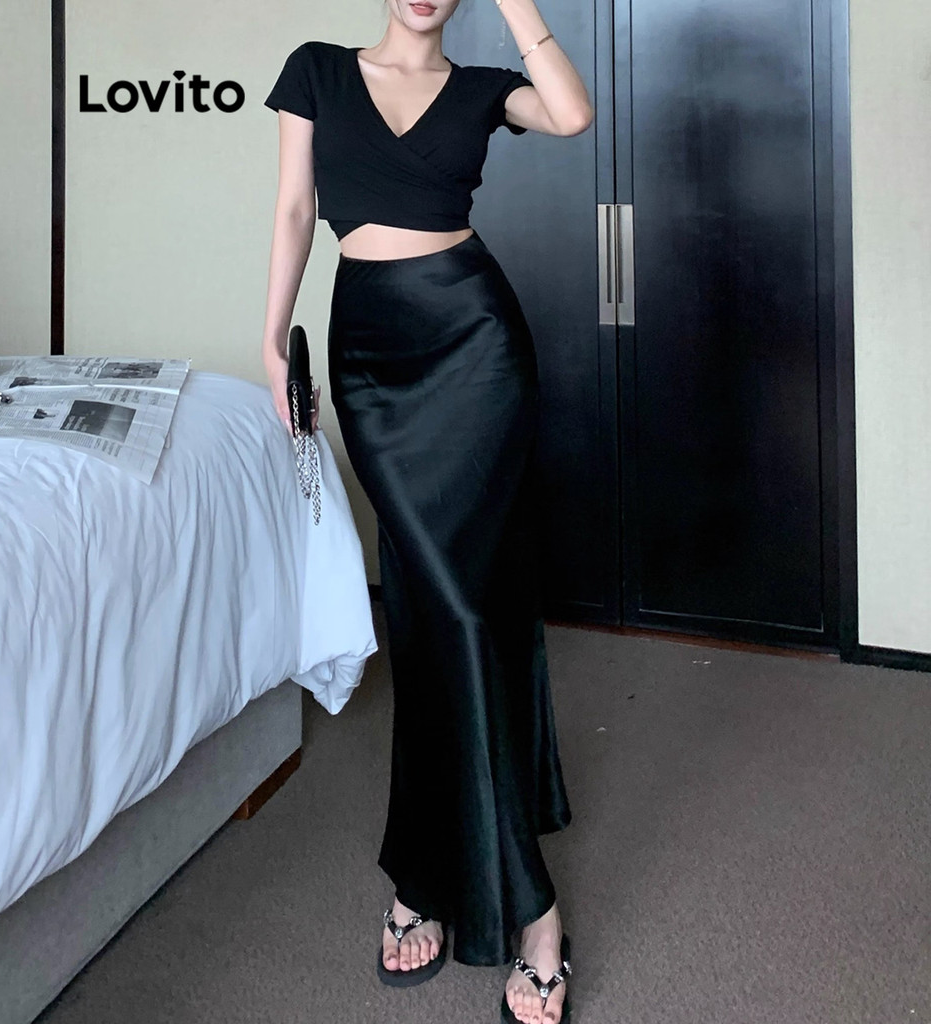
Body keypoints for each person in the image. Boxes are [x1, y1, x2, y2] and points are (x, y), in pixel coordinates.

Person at [261, 3, 593, 1022]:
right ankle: (428, 861)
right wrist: (272, 339)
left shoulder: (486, 88)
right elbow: (293, 209)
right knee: (428, 608)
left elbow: (572, 115)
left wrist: (518, 6)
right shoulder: (317, 69)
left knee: (466, 607)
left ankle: (524, 908)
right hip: (370, 355)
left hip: (474, 344)